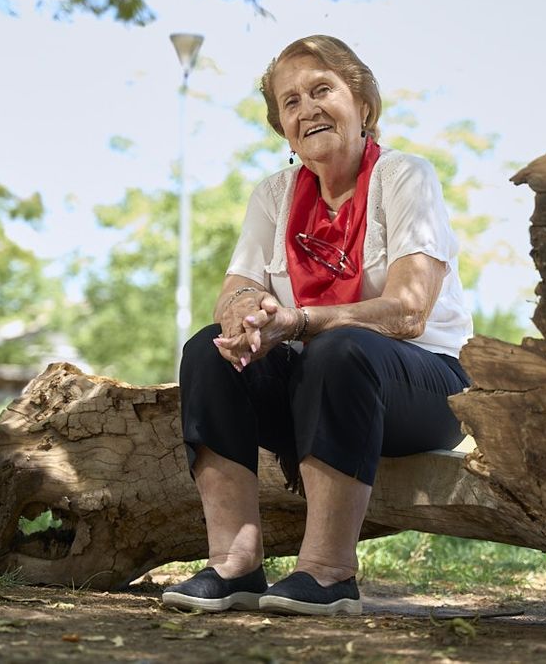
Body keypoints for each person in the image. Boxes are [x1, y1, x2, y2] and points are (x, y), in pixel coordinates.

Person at [162, 35, 473, 617]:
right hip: (316, 389)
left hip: (425, 388)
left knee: (340, 347)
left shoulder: (407, 176)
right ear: (283, 129)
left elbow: (409, 310)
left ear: (363, 104)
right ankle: (234, 564)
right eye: (291, 102)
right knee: (209, 350)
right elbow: (234, 291)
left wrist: (299, 321)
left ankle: (328, 573)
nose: (307, 109)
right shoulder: (273, 195)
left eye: (321, 90)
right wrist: (247, 315)